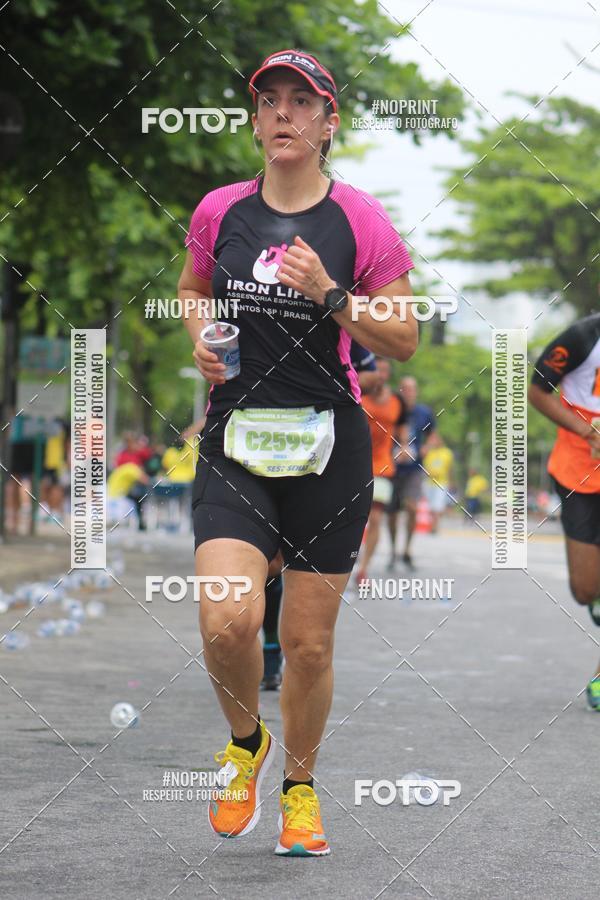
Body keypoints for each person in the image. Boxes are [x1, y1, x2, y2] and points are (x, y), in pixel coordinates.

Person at [178, 48, 417, 856]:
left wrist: (331, 295)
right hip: (235, 441)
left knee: (310, 645)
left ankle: (301, 791)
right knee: (226, 623)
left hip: (331, 449)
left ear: (326, 122)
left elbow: (406, 337)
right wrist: (201, 343)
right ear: (254, 120)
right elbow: (191, 288)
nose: (283, 113)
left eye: (301, 101)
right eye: (269, 100)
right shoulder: (219, 212)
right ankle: (246, 745)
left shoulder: (361, 220)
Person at [528, 312, 600, 710]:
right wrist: (587, 431)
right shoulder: (580, 338)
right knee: (586, 588)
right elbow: (538, 392)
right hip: (579, 470)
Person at [355, 358, 408, 584]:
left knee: (375, 518)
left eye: (385, 371)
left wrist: (405, 446)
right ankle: (348, 558)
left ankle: (363, 568)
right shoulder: (358, 394)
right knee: (355, 517)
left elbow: (403, 431)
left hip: (383, 465)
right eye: (377, 370)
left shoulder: (398, 401)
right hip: (354, 463)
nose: (380, 375)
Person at [387, 376, 435, 569]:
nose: (409, 392)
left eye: (412, 389)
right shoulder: (393, 407)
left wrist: (426, 448)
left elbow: (432, 435)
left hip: (414, 468)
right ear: (399, 391)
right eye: (405, 389)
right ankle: (393, 551)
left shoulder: (424, 412)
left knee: (412, 507)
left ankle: (407, 549)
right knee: (392, 513)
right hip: (391, 467)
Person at [422, 432, 454, 533]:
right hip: (429, 482)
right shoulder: (429, 452)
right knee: (431, 506)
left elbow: (450, 468)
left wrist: (451, 481)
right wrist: (428, 445)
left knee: (437, 505)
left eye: (436, 439)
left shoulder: (447, 453)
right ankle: (433, 524)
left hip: (441, 482)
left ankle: (435, 526)